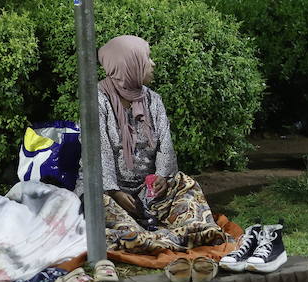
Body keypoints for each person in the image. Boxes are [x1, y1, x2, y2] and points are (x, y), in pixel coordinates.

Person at [89, 35, 231, 257]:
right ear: (129, 64)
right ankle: (161, 237)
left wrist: (162, 177)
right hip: (111, 192)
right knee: (97, 203)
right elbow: (99, 151)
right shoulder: (97, 100)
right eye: (147, 58)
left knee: (185, 184)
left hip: (149, 191)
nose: (153, 64)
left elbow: (165, 143)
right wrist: (114, 192)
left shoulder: (153, 99)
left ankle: (171, 234)